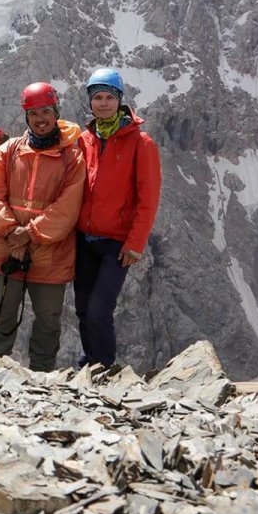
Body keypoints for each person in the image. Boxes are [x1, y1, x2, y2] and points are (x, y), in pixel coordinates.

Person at [0, 82, 86, 371]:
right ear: (25, 117)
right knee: (2, 312)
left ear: (56, 113)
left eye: (46, 112)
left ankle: (42, 375)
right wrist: (12, 231)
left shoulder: (72, 158)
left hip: (48, 253)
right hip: (8, 249)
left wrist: (29, 233)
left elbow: (68, 207)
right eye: (34, 113)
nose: (41, 119)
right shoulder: (8, 151)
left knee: (48, 318)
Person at [75, 68, 162, 367]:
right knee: (83, 308)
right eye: (97, 98)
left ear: (120, 100)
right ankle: (89, 363)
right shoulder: (85, 139)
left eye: (108, 98)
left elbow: (147, 198)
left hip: (116, 244)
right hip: (84, 239)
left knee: (100, 309)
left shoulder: (141, 142)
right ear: (90, 102)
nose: (102, 104)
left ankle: (104, 367)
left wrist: (135, 243)